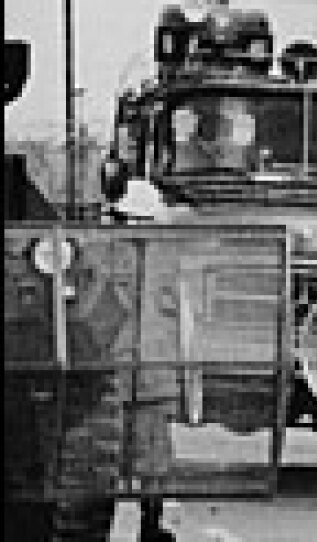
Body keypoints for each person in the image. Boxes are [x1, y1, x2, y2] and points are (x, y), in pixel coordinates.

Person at [107, 179, 180, 542]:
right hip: (148, 369)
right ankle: (150, 529)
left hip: (124, 370)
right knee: (150, 461)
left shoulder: (106, 252)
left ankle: (141, 526)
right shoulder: (165, 255)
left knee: (111, 459)